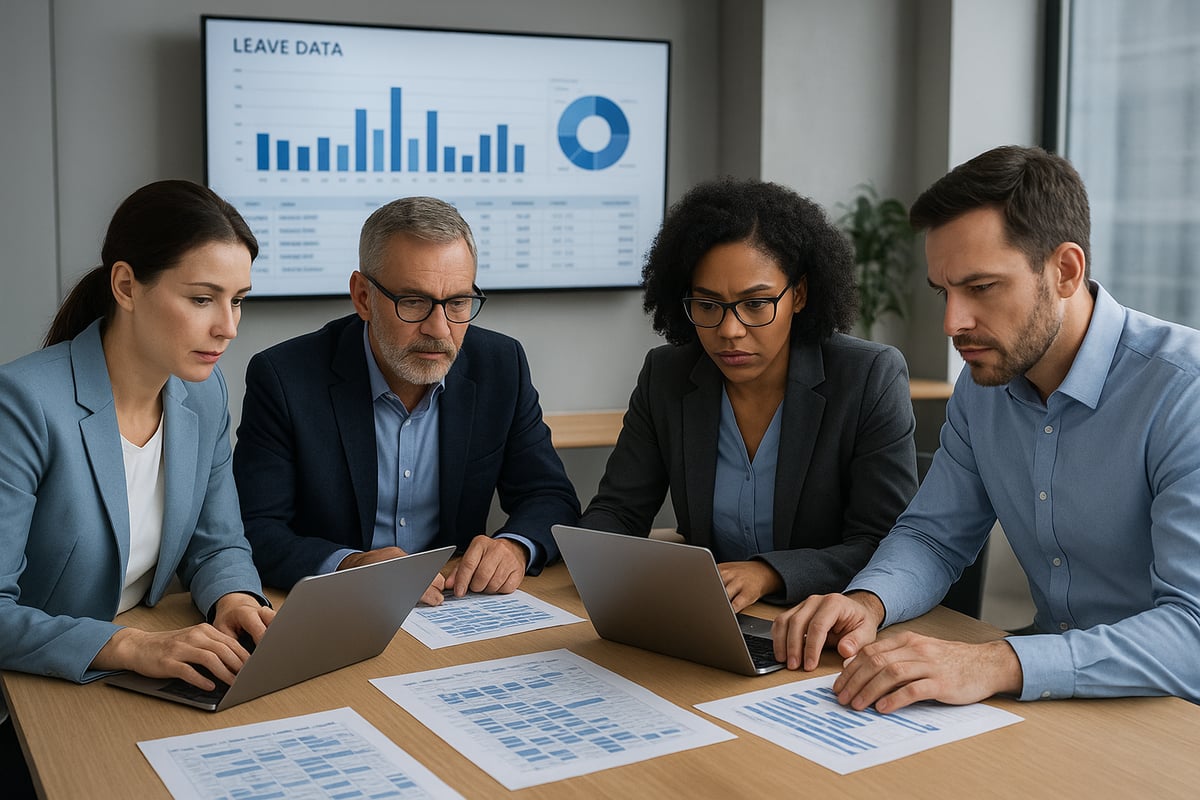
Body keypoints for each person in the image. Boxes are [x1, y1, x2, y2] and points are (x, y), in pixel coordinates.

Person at [772, 144, 1200, 711]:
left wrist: (998, 661)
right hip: (1054, 701)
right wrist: (869, 601)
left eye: (981, 288)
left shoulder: (1184, 391)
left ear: (1065, 271)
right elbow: (934, 537)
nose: (954, 323)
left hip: (1169, 718)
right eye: (944, 292)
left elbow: (1192, 632)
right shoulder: (983, 388)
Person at [0, 180, 273, 793]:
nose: (227, 327)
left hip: (132, 686)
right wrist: (130, 648)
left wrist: (234, 602)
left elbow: (218, 545)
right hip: (30, 698)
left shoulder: (204, 393)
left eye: (239, 301)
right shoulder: (21, 404)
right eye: (203, 299)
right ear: (126, 285)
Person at [579, 178, 919, 612]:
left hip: (823, 622)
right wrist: (594, 553)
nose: (729, 331)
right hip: (712, 615)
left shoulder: (869, 377)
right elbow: (620, 511)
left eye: (755, 304)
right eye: (707, 305)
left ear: (799, 295)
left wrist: (768, 573)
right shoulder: (666, 375)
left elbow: (885, 543)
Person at [233, 196, 580, 606]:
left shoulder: (501, 366)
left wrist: (515, 546)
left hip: (454, 605)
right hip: (344, 607)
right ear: (363, 296)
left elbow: (550, 497)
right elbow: (254, 528)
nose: (439, 328)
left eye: (458, 303)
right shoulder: (284, 377)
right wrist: (349, 565)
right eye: (413, 302)